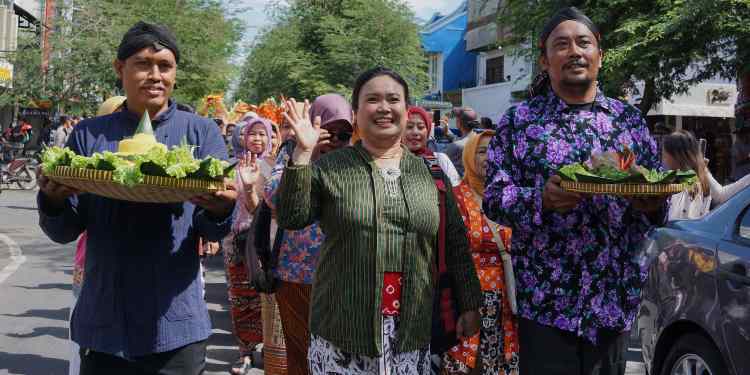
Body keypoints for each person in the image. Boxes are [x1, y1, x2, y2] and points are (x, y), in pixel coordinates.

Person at [37, 21, 236, 375]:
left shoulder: (201, 133)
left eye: (165, 66)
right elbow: (65, 230)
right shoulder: (88, 135)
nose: (155, 75)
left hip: (175, 325)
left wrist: (222, 210)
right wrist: (52, 202)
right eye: (143, 64)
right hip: (104, 323)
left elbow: (214, 230)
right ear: (120, 69)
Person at [483, 7, 664, 375]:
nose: (574, 52)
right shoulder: (519, 121)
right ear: (544, 59)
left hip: (610, 297)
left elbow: (656, 193)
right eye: (561, 45)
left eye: (584, 43)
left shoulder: (627, 121)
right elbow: (494, 198)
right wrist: (541, 199)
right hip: (546, 300)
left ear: (600, 54)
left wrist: (650, 204)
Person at [277, 67, 482, 373]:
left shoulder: (430, 173)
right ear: (357, 113)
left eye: (393, 99)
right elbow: (292, 216)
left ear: (406, 108)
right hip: (343, 329)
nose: (384, 107)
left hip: (412, 327)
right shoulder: (331, 167)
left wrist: (469, 303)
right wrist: (303, 154)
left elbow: (455, 240)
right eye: (372, 99)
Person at [264, 93, 353, 375]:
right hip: (296, 277)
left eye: (345, 133)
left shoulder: (354, 161)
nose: (336, 140)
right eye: (329, 132)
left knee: (338, 359)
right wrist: (307, 156)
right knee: (302, 355)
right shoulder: (293, 151)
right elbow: (273, 196)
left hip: (342, 278)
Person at [442, 130, 519, 374]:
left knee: (502, 364)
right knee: (468, 364)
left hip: (510, 299)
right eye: (482, 151)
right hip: (469, 299)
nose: (489, 157)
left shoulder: (514, 197)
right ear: (468, 156)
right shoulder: (456, 198)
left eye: (496, 151)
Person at [222, 116, 275, 374]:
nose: (257, 139)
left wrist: (253, 187)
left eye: (262, 134)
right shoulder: (230, 166)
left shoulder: (273, 168)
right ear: (242, 137)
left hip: (264, 242)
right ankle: (244, 353)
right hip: (236, 242)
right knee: (240, 299)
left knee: (265, 298)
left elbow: (262, 210)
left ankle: (268, 350)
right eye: (252, 134)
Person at [663, 130, 750, 220]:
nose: (664, 160)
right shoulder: (700, 176)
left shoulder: (687, 182)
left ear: (677, 156)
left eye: (665, 155)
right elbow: (721, 195)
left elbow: (721, 196)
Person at [403, 106, 461, 186]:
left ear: (428, 131)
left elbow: (459, 193)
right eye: (409, 127)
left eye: (420, 127)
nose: (415, 132)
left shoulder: (439, 161)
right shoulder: (389, 162)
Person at [445, 107, 479, 175]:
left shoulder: (455, 146)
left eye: (457, 119)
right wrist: (447, 132)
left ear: (459, 122)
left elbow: (442, 164)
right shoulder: (480, 140)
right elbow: (459, 139)